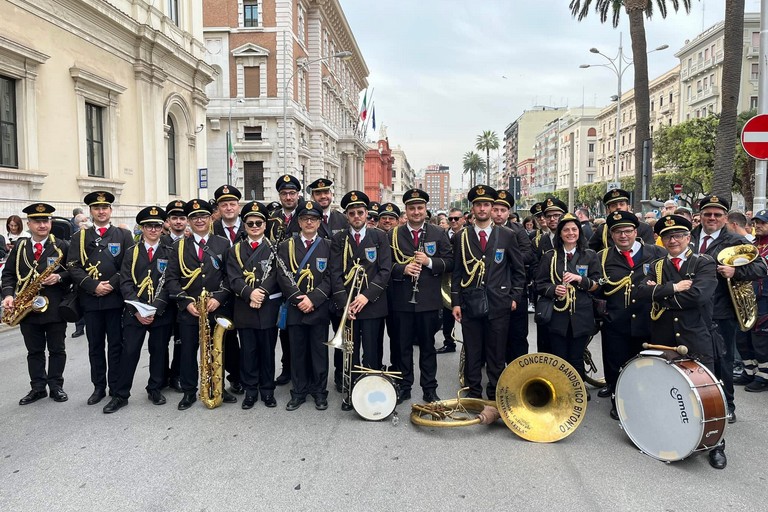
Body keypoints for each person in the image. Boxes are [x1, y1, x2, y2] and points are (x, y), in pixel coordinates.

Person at [634, 214, 726, 469]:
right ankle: (674, 436)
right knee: (668, 390)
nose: (673, 240)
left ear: (688, 237)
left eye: (677, 235)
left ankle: (715, 444)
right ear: (661, 240)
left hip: (695, 335)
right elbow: (640, 291)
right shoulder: (656, 265)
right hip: (663, 338)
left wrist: (660, 294)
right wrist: (674, 288)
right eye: (667, 236)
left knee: (708, 394)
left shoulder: (704, 263)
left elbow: (699, 296)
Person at [692, 195, 768, 423]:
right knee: (693, 359)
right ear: (701, 216)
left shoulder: (735, 240)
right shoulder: (688, 236)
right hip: (690, 309)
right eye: (707, 214)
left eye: (717, 214)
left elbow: (760, 268)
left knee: (722, 361)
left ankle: (726, 405)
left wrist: (736, 272)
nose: (712, 218)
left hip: (721, 311)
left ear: (725, 217)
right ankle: (697, 403)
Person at [451, 185, 525, 400]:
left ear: (493, 208)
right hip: (470, 302)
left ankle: (495, 393)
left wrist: (514, 298)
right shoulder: (461, 237)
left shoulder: (507, 235)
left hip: (499, 303)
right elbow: (457, 273)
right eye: (478, 204)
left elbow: (518, 271)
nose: (482, 208)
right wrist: (456, 302)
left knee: (496, 352)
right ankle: (473, 393)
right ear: (472, 208)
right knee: (473, 351)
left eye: (486, 204)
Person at [165, 199, 237, 410]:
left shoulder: (222, 243)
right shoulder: (179, 246)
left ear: (210, 218)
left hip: (216, 307)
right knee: (188, 351)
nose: (199, 221)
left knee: (218, 350)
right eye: (194, 217)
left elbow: (229, 275)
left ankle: (219, 387)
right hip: (191, 310)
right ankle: (189, 391)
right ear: (189, 220)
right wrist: (186, 302)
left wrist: (219, 298)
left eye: (203, 216)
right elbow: (171, 279)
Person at [596, 210, 666, 419]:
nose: (623, 236)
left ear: (636, 231)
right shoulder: (603, 257)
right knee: (615, 364)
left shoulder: (656, 253)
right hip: (616, 322)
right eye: (618, 232)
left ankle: (645, 400)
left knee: (646, 364)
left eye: (627, 231)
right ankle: (619, 401)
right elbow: (598, 289)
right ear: (611, 235)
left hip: (648, 321)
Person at [103, 206, 174, 413]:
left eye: (157, 226)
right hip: (135, 312)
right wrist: (138, 309)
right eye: (148, 226)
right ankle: (120, 394)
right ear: (142, 228)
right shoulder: (131, 252)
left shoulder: (169, 251)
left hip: (160, 311)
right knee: (129, 352)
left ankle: (155, 388)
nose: (153, 229)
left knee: (159, 351)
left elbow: (171, 281)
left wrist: (155, 308)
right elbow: (125, 282)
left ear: (162, 228)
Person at [66, 191, 134, 405]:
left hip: (115, 300)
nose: (101, 211)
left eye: (105, 207)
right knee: (95, 346)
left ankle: (115, 386)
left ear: (111, 211)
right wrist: (93, 285)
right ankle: (98, 387)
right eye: (97, 208)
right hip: (91, 300)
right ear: (91, 211)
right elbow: (73, 266)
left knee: (115, 344)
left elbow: (128, 264)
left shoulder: (123, 236)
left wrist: (110, 285)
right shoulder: (80, 237)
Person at [2, 203, 70, 405]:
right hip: (27, 308)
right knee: (34, 351)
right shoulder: (20, 247)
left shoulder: (62, 246)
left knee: (57, 349)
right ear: (28, 223)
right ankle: (38, 387)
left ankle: (56, 386)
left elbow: (74, 273)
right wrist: (8, 295)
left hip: (55, 307)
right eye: (37, 221)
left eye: (46, 220)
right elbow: (8, 275)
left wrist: (58, 277)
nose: (42, 225)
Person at [389, 189, 452, 403]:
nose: (416, 212)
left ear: (426, 210)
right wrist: (402, 270)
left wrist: (429, 262)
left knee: (427, 347)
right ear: (406, 211)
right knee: (402, 347)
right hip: (402, 301)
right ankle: (404, 386)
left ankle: (429, 388)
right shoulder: (393, 234)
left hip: (428, 301)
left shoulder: (438, 233)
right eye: (412, 208)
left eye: (420, 208)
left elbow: (450, 262)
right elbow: (384, 265)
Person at [329, 190, 392, 410]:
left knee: (372, 350)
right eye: (352, 213)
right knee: (350, 352)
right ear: (347, 216)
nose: (357, 216)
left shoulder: (379, 237)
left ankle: (372, 392)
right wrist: (347, 304)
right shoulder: (338, 239)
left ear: (367, 214)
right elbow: (334, 273)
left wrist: (365, 297)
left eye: (361, 212)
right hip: (348, 307)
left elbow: (385, 271)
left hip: (372, 304)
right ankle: (350, 392)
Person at [535, 213, 601, 396]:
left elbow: (599, 283)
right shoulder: (550, 256)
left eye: (574, 229)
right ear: (560, 233)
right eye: (566, 230)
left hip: (581, 313)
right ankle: (560, 391)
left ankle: (578, 390)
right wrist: (554, 289)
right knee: (559, 356)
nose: (570, 233)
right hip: (558, 314)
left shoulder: (590, 255)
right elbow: (539, 284)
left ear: (579, 232)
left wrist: (580, 279)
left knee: (576, 356)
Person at [277, 200, 332, 411]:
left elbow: (330, 276)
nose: (309, 222)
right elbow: (283, 276)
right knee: (297, 352)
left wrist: (314, 299)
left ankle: (319, 392)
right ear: (299, 221)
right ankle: (298, 392)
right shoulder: (285, 246)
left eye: (314, 219)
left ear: (319, 222)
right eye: (305, 218)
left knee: (319, 352)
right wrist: (299, 299)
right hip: (295, 306)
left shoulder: (328, 245)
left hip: (318, 307)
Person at [227, 201, 281, 409]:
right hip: (244, 306)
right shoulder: (235, 250)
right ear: (244, 225)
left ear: (265, 225)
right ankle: (250, 391)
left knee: (267, 351)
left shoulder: (275, 248)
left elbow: (278, 274)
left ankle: (267, 390)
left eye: (259, 222)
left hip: (267, 307)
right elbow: (233, 278)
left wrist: (262, 292)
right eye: (250, 223)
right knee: (248, 352)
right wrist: (250, 293)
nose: (255, 226)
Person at [491, 189, 534, 362]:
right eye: (496, 209)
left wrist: (506, 259)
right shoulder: (483, 231)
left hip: (515, 287)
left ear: (509, 213)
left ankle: (519, 370)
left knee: (517, 334)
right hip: (493, 290)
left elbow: (529, 254)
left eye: (503, 210)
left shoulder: (518, 230)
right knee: (495, 334)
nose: (499, 214)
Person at [211, 185, 245, 395]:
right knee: (226, 338)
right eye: (224, 204)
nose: (229, 208)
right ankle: (233, 377)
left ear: (238, 206)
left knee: (250, 337)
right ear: (219, 208)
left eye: (232, 204)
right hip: (223, 294)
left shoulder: (252, 224)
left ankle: (250, 375)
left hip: (247, 292)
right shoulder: (211, 229)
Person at [270, 174, 303, 386]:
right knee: (283, 326)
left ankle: (302, 368)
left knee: (300, 327)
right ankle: (287, 367)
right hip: (276, 279)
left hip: (301, 279)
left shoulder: (306, 213)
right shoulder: (271, 216)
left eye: (292, 193)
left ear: (297, 194)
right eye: (284, 193)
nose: (288, 197)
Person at [735, 209, 768, 392]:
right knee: (742, 336)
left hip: (765, 298)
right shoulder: (753, 245)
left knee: (760, 339)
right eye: (756, 222)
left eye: (763, 222)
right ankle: (750, 370)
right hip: (747, 297)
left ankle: (764, 376)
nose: (758, 226)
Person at [161, 200, 187, 392]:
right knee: (161, 341)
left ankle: (177, 374)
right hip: (161, 300)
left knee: (181, 341)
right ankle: (161, 375)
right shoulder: (159, 240)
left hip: (181, 298)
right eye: (174, 218)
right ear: (167, 221)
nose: (178, 222)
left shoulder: (191, 242)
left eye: (182, 218)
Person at [589, 189, 655, 251]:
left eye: (622, 204)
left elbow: (649, 252)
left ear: (629, 207)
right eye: (614, 205)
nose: (618, 207)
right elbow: (589, 252)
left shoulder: (644, 228)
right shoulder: (603, 230)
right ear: (608, 210)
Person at [437, 207, 464, 354]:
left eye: (456, 218)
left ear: (463, 220)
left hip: (465, 278)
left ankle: (470, 346)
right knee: (447, 312)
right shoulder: (443, 234)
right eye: (451, 219)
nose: (453, 221)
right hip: (447, 277)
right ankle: (449, 342)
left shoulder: (469, 234)